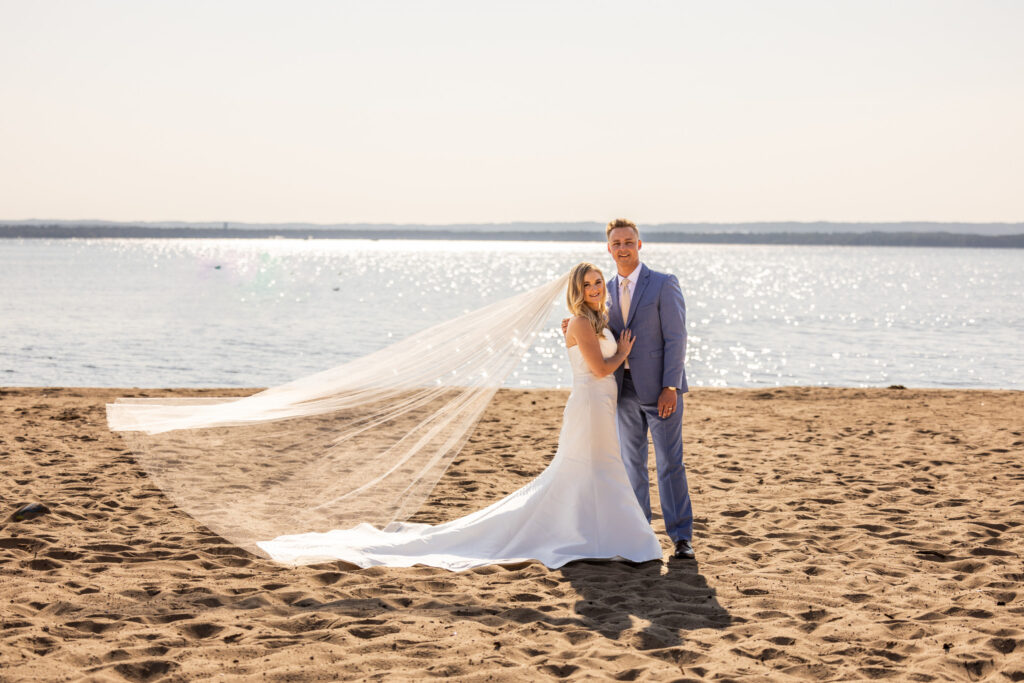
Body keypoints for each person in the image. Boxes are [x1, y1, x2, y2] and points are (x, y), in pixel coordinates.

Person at [255, 262, 663, 570]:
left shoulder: (594, 320)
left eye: (597, 283)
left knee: (595, 471)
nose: (594, 288)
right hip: (590, 407)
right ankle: (615, 538)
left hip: (600, 406)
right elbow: (599, 369)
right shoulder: (579, 321)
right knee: (596, 469)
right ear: (577, 291)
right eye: (587, 284)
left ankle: (599, 536)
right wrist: (624, 353)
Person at [564, 219, 694, 559]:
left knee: (669, 464)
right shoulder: (601, 291)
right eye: (616, 243)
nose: (622, 247)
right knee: (631, 465)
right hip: (620, 391)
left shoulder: (664, 284)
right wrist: (571, 325)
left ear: (639, 244)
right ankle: (640, 535)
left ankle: (681, 538)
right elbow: (589, 329)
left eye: (628, 241)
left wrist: (671, 385)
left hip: (659, 391)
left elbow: (677, 338)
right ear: (609, 249)